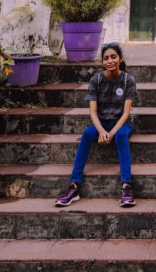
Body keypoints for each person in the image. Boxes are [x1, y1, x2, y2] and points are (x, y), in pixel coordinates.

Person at [55, 43, 137, 208]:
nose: (110, 61)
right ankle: (74, 186)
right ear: (102, 62)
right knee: (86, 135)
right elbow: (92, 112)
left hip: (122, 124)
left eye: (113, 57)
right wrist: (101, 131)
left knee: (121, 136)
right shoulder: (96, 80)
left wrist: (111, 133)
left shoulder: (128, 80)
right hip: (101, 123)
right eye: (106, 58)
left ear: (120, 59)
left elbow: (126, 113)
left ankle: (126, 187)